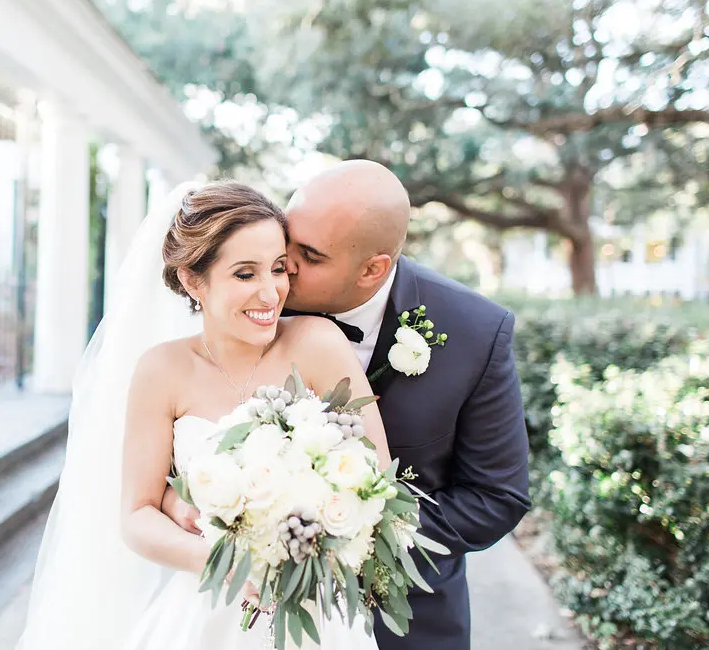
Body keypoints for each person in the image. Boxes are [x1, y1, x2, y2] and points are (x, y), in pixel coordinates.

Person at [163, 160, 532, 650]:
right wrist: (186, 503)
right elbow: (176, 440)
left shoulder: (475, 332)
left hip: (409, 618)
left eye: (309, 256)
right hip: (246, 615)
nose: (284, 267)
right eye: (287, 242)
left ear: (373, 269)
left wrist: (344, 531)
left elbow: (497, 496)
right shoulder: (252, 300)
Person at [16, 181, 387, 649]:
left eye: (278, 268)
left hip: (316, 615)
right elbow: (137, 513)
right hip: (205, 612)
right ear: (194, 281)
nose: (271, 293)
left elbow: (377, 478)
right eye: (245, 274)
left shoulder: (318, 342)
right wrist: (219, 560)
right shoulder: (161, 370)